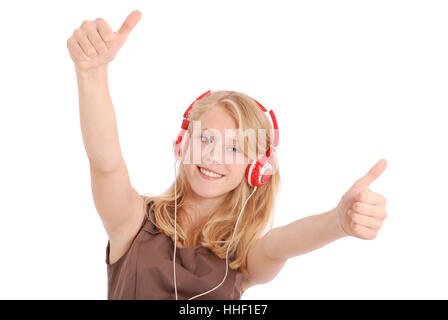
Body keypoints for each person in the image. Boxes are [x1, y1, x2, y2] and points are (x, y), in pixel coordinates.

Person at [66, 10, 389, 300]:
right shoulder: (133, 222)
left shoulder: (243, 254)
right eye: (205, 138)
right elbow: (106, 164)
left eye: (235, 148)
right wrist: (92, 73)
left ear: (257, 168)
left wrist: (337, 222)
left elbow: (282, 243)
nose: (212, 156)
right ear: (183, 144)